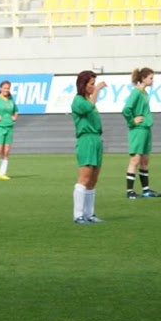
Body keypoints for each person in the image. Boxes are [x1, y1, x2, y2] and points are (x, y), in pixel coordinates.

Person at [70, 70, 106, 224]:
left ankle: (89, 213)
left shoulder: (88, 101)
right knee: (84, 178)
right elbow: (88, 108)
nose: (93, 86)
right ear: (83, 85)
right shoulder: (78, 101)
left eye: (94, 84)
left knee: (93, 179)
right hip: (86, 140)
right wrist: (97, 91)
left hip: (96, 139)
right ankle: (78, 215)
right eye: (91, 84)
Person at [122, 67, 161, 198]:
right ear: (143, 78)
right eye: (151, 78)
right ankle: (130, 191)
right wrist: (132, 121)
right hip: (138, 130)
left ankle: (146, 190)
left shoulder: (144, 93)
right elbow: (126, 109)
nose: (152, 80)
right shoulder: (136, 92)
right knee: (135, 160)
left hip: (145, 129)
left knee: (145, 160)